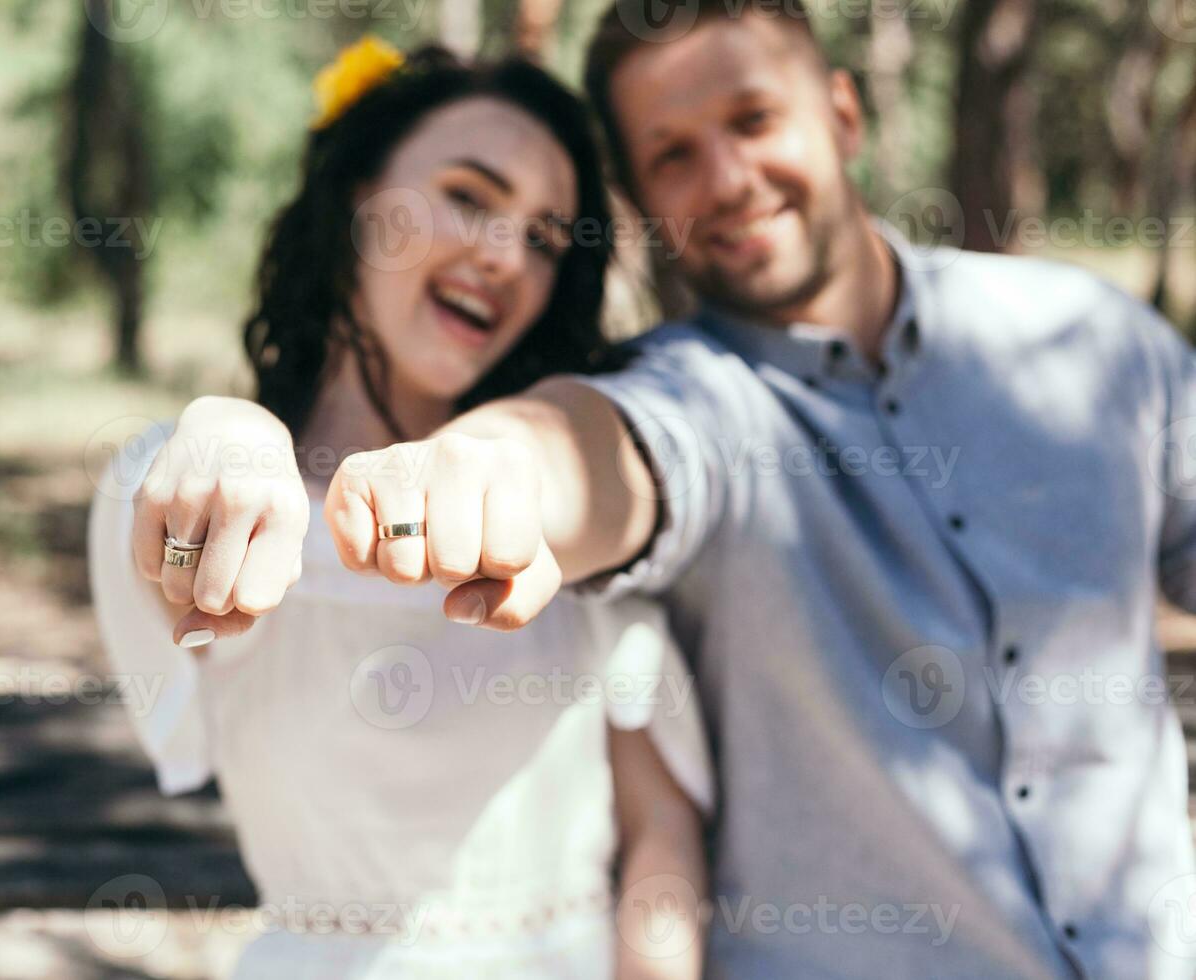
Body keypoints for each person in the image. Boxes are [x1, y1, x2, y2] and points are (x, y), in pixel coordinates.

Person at [158, 3, 1196, 977]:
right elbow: (601, 454)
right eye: (672, 155)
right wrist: (490, 470)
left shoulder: (1097, 342)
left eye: (754, 118)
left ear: (843, 113)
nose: (731, 176)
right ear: (643, 205)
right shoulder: (685, 393)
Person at [88, 39, 710, 979]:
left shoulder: (565, 498)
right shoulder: (223, 482)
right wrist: (225, 436)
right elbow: (174, 538)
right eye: (469, 195)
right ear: (356, 197)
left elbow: (659, 836)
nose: (505, 255)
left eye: (545, 237)